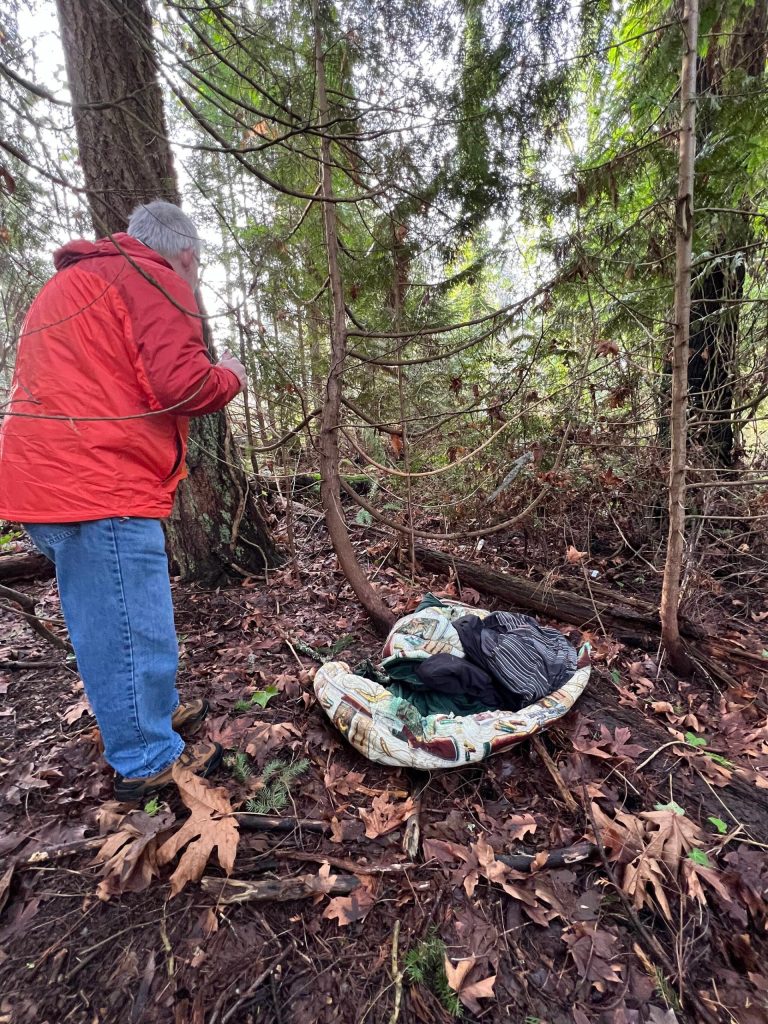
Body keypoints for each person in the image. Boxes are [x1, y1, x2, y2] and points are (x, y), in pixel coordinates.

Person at [0, 200, 247, 800]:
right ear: (185, 256)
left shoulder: (77, 281)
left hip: (52, 480)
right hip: (97, 483)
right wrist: (230, 375)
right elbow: (181, 383)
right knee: (131, 629)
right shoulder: (151, 278)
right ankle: (146, 759)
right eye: (195, 269)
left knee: (121, 619)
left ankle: (150, 720)